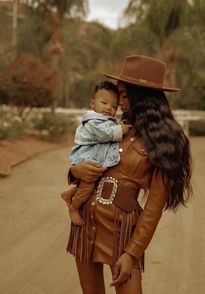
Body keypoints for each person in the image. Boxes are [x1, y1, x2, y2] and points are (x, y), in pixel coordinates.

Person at [65, 55, 192, 294]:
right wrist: (74, 170)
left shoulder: (165, 142)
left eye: (123, 95)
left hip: (123, 231)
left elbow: (154, 207)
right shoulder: (112, 127)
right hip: (86, 220)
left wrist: (132, 253)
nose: (118, 101)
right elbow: (82, 154)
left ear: (141, 97)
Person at [61, 80, 132, 225]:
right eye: (104, 103)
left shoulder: (106, 119)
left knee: (93, 181)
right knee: (88, 184)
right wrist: (121, 130)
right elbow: (103, 134)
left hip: (95, 156)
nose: (108, 108)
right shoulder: (93, 120)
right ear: (93, 103)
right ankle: (74, 208)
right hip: (87, 157)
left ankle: (69, 194)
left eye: (113, 106)